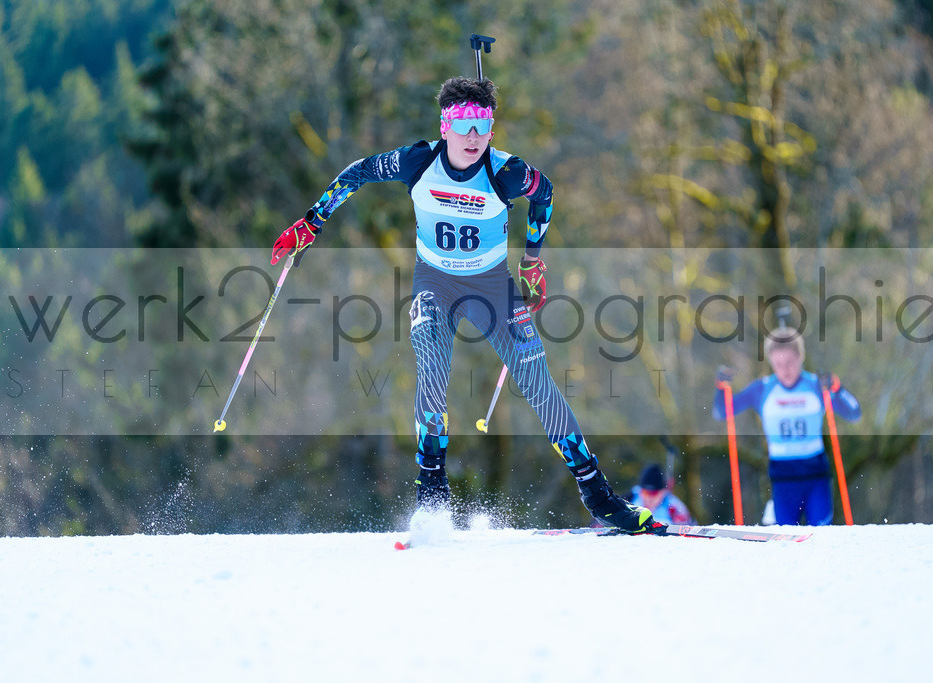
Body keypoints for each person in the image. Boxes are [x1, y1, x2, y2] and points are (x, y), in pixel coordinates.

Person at [271, 76, 658, 533]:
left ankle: (600, 497)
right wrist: (312, 223)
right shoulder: (418, 161)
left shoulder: (506, 171)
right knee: (432, 370)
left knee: (538, 382)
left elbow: (545, 192)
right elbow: (357, 171)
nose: (472, 136)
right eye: (462, 123)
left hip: (493, 286)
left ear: (492, 129)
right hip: (435, 282)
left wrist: (533, 259)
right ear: (444, 125)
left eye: (482, 123)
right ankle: (432, 496)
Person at [712, 328, 861, 526]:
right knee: (785, 540)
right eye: (778, 364)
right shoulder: (763, 389)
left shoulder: (816, 386)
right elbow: (722, 411)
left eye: (790, 363)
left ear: (801, 357)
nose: (785, 370)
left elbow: (854, 413)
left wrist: (837, 388)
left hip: (815, 475)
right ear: (771, 362)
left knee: (822, 536)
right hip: (782, 478)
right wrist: (721, 387)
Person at [630, 461, 695, 526]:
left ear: (663, 492)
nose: (649, 498)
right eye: (646, 492)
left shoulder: (674, 508)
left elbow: (690, 531)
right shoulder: (630, 500)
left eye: (654, 493)